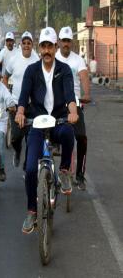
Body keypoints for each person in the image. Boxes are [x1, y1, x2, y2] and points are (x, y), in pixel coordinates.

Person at [15, 27, 78, 234]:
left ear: (56, 46)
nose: (47, 50)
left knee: (69, 133)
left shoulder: (65, 69)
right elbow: (23, 96)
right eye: (43, 46)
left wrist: (73, 112)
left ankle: (65, 171)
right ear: (39, 48)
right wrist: (20, 112)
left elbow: (70, 95)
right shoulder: (31, 70)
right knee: (31, 169)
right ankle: (32, 211)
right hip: (37, 123)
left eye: (50, 46)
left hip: (59, 120)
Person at [56, 26, 90, 190]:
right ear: (59, 42)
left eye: (68, 41)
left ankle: (80, 176)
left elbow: (83, 76)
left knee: (82, 138)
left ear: (72, 42)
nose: (66, 44)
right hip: (55, 104)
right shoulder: (52, 58)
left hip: (75, 104)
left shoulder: (78, 60)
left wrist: (87, 94)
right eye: (63, 40)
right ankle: (43, 174)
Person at [3, 31, 39, 167]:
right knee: (16, 137)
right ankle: (17, 152)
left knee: (30, 137)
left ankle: (27, 165)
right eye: (24, 43)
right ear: (20, 44)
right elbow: (5, 77)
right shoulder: (14, 60)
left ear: (32, 44)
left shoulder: (37, 60)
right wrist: (7, 94)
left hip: (31, 105)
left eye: (29, 43)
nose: (26, 45)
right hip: (15, 103)